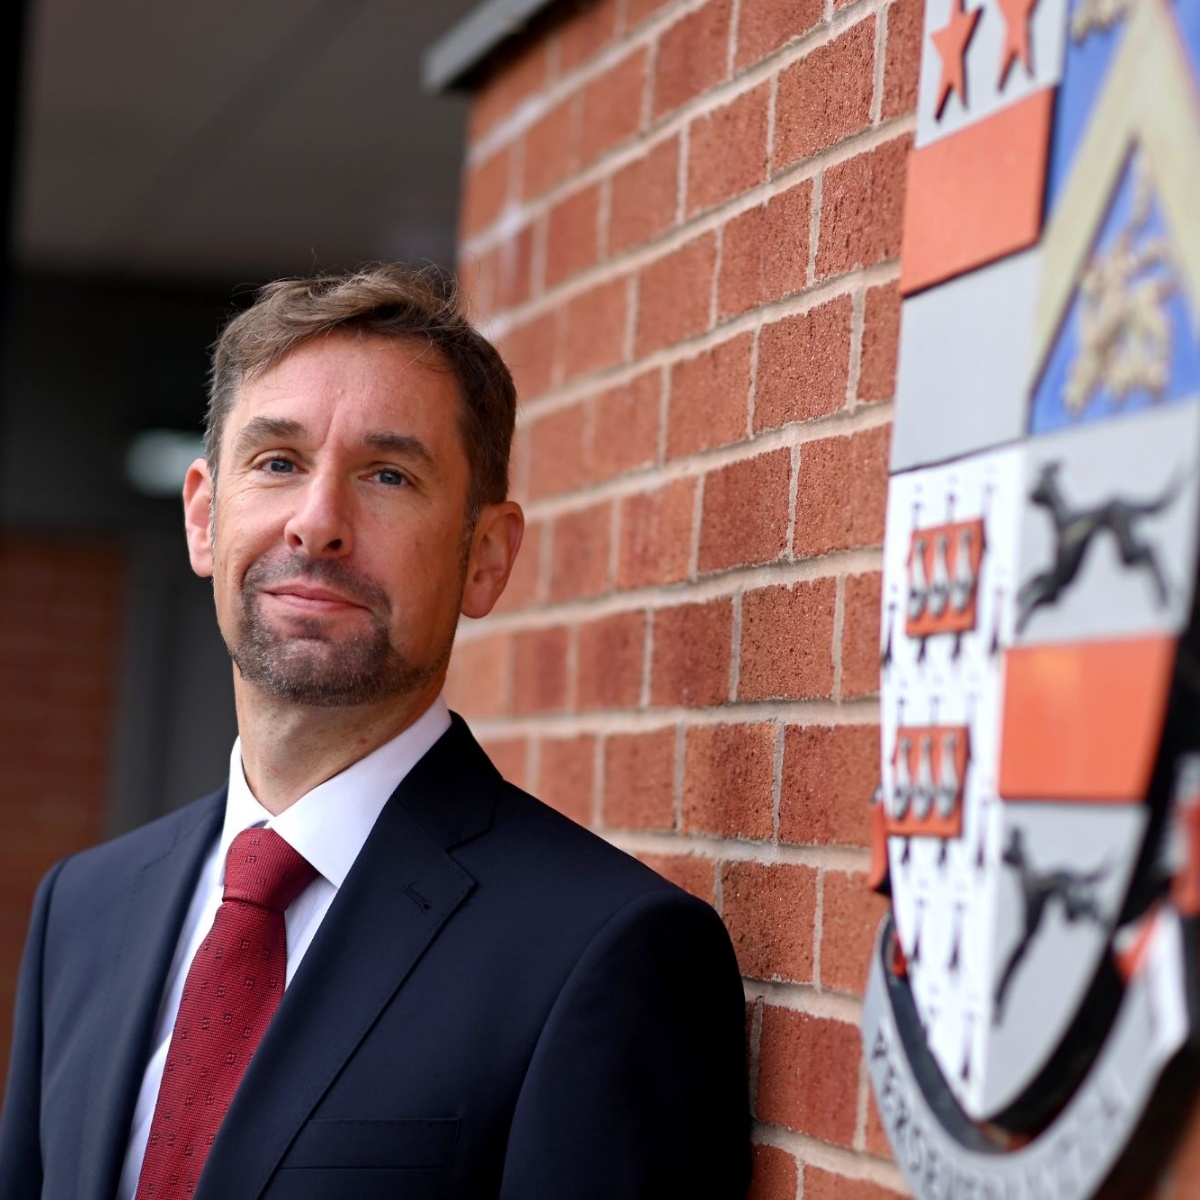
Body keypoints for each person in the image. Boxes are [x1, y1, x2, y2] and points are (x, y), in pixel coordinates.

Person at [0, 265, 751, 1200]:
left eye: (388, 474)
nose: (317, 525)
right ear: (204, 515)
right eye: (277, 461)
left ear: (486, 559)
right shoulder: (86, 906)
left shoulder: (605, 954)